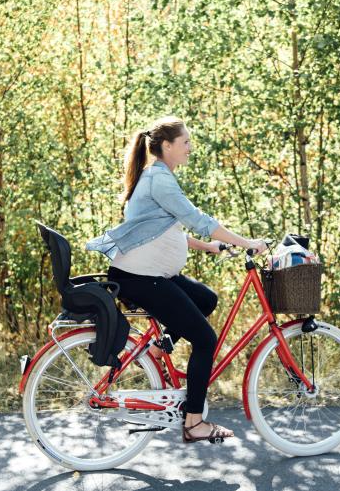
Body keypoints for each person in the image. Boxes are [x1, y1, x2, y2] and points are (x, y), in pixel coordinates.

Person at [85, 115, 268, 443]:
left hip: (148, 273)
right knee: (205, 340)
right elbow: (197, 219)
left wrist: (207, 246)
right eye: (185, 142)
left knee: (206, 299)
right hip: (142, 277)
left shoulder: (155, 176)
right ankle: (194, 423)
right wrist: (248, 242)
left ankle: (156, 351)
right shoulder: (159, 179)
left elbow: (161, 228)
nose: (189, 148)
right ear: (166, 146)